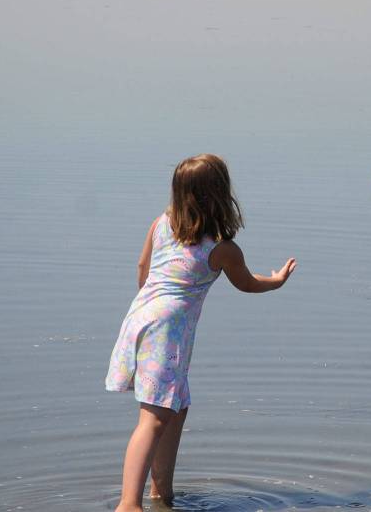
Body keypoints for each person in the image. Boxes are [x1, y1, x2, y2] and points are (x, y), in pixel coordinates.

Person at [105, 153, 296, 512]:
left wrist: (150, 307)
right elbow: (247, 284)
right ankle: (128, 505)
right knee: (154, 415)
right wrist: (277, 281)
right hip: (168, 330)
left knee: (175, 406)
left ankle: (161, 493)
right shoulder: (221, 249)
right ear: (221, 195)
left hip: (140, 317)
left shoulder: (161, 224)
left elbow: (143, 268)